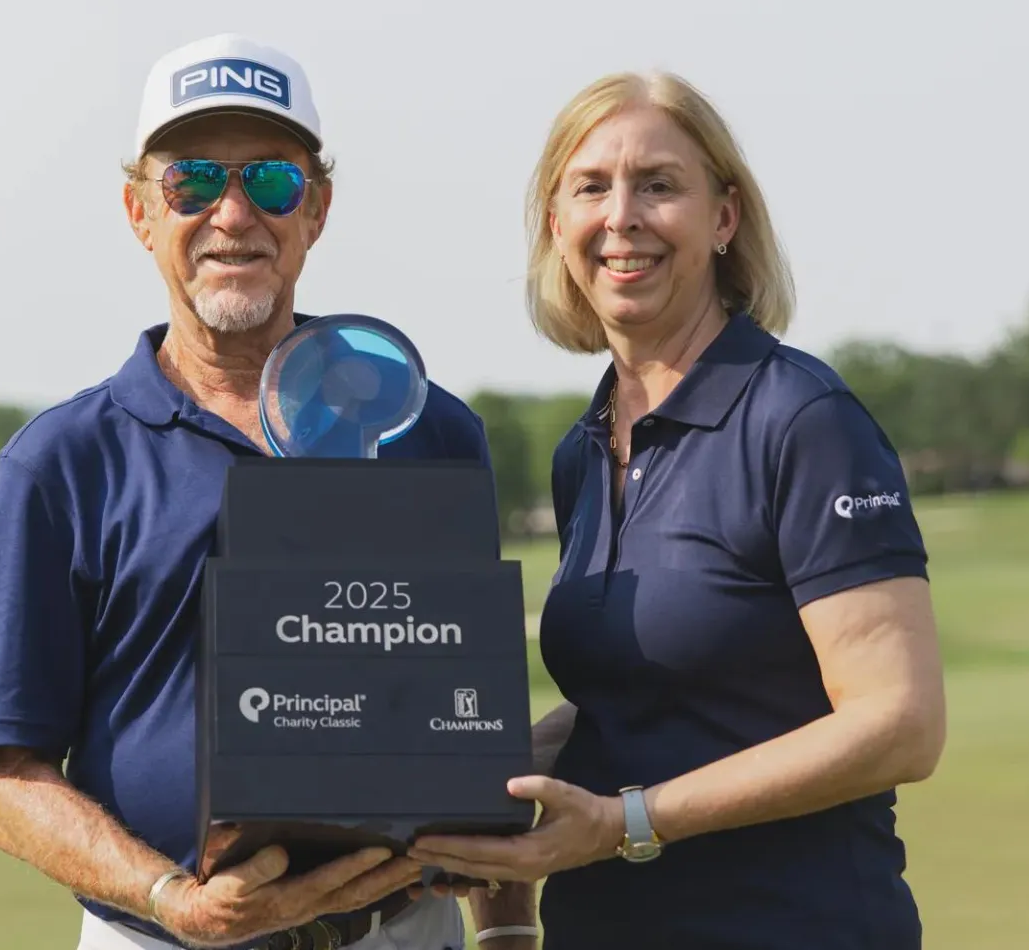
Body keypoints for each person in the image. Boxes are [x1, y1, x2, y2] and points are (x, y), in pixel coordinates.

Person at [0, 32, 487, 950]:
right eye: (192, 182)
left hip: (409, 930)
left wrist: (508, 928)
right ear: (140, 212)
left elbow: (472, 721)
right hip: (166, 938)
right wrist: (168, 897)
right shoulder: (61, 461)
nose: (233, 214)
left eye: (271, 182)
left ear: (315, 210)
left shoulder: (426, 426)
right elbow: (1, 778)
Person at [406, 71, 948, 949]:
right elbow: (634, 702)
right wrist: (469, 782)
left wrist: (628, 821)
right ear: (556, 226)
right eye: (590, 187)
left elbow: (901, 725)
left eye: (659, 185)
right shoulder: (583, 451)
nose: (622, 216)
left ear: (723, 219)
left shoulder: (801, 419)